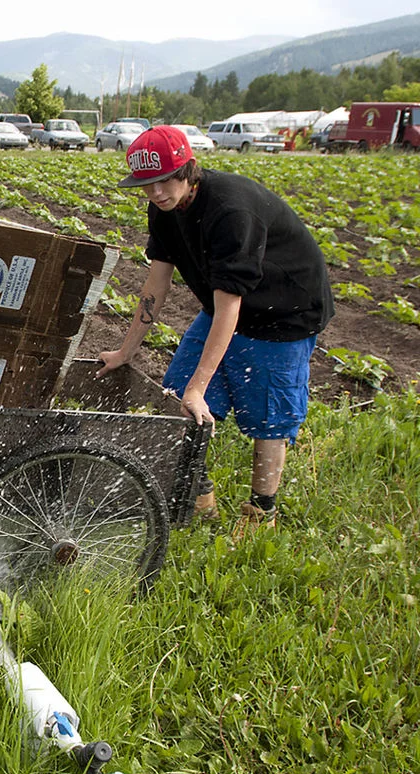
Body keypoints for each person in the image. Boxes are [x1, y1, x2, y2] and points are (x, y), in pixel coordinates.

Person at [98, 125, 333, 534]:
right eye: (146, 185)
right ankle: (198, 497)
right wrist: (126, 351)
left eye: (164, 180)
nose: (155, 192)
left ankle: (262, 515)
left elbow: (230, 309)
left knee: (269, 416)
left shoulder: (229, 210)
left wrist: (200, 384)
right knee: (175, 396)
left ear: (188, 168)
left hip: (285, 310)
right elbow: (156, 285)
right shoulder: (164, 210)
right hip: (225, 304)